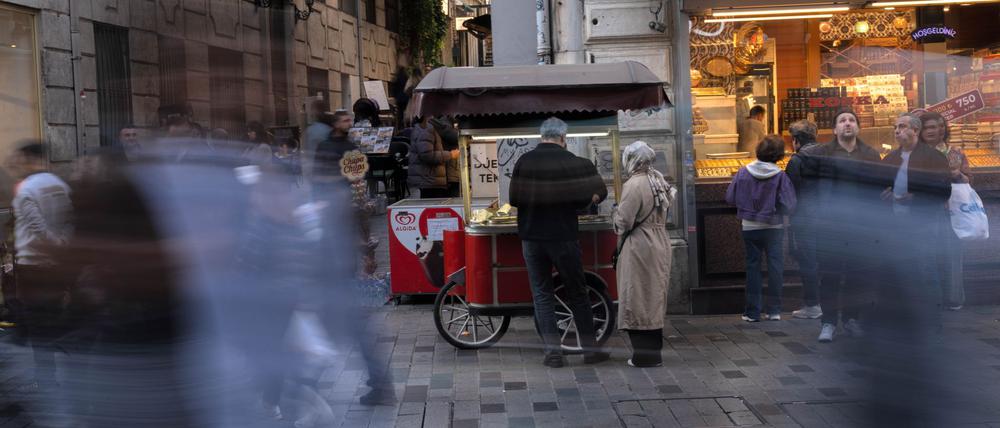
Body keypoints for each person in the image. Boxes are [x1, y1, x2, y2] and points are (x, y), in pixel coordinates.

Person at [509, 117, 609, 368]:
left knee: (542, 294)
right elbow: (596, 194)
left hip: (532, 237)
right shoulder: (576, 162)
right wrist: (590, 199)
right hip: (564, 236)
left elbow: (514, 199)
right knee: (577, 292)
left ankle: (553, 353)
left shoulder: (524, 161)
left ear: (541, 136)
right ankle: (590, 351)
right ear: (564, 138)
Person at [797, 109, 882, 343]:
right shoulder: (821, 154)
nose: (847, 123)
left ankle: (851, 319)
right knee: (830, 275)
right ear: (834, 129)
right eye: (842, 120)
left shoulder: (870, 154)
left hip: (861, 226)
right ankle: (829, 322)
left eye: (852, 120)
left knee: (857, 275)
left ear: (858, 127)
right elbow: (810, 187)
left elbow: (877, 187)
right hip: (831, 225)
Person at [7, 141, 73, 390]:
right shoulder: (60, 184)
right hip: (56, 263)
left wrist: (53, 246)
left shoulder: (26, 189)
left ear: (28, 159)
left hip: (32, 265)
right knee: (52, 317)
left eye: (20, 159)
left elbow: (37, 227)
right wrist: (63, 246)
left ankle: (46, 378)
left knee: (38, 324)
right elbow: (70, 220)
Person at [613, 141, 676, 368]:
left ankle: (644, 356)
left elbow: (624, 221)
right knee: (653, 298)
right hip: (660, 241)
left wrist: (615, 214)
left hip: (640, 245)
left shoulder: (634, 184)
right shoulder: (657, 179)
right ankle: (654, 353)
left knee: (637, 297)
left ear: (631, 160)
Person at [726, 135, 797, 322]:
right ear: (779, 155)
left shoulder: (743, 172)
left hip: (750, 226)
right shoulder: (780, 176)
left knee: (753, 268)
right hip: (774, 226)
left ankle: (752, 312)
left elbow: (730, 197)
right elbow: (790, 204)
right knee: (775, 267)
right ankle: (774, 311)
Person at [920, 111, 969, 310]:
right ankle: (930, 298)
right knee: (926, 255)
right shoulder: (915, 153)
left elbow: (968, 180)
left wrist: (958, 175)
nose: (933, 131)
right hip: (923, 210)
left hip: (951, 211)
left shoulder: (955, 153)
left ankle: (953, 298)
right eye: (927, 127)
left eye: (937, 126)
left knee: (952, 254)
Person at [784, 120, 823, 319]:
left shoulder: (797, 161)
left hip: (805, 218)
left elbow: (789, 192)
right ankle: (828, 303)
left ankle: (812, 304)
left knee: (808, 261)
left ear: (796, 140)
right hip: (829, 217)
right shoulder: (829, 155)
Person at [408, 116, 457, 198]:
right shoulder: (426, 129)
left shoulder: (427, 128)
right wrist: (450, 154)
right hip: (429, 179)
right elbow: (426, 155)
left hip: (429, 179)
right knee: (433, 204)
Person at [302, 99, 332, 179]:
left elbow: (306, 151)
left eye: (312, 109)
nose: (310, 112)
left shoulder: (311, 130)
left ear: (315, 111)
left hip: (315, 168)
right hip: (327, 169)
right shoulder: (329, 129)